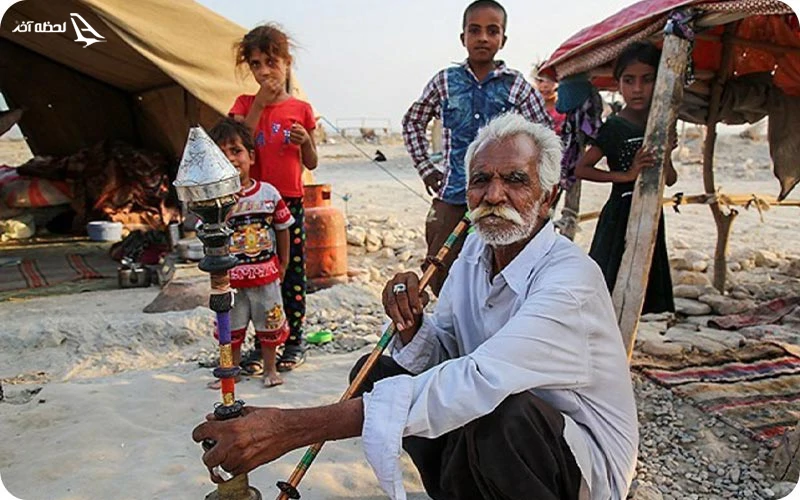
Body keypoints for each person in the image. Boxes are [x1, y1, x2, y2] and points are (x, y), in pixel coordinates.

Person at [193, 113, 639, 500]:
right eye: (481, 180)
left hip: (576, 465)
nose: (494, 196)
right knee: (373, 372)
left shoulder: (570, 279)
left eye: (516, 180)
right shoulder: (471, 255)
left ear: (546, 198)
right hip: (491, 430)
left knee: (504, 413)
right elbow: (447, 350)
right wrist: (413, 326)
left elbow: (477, 379)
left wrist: (291, 427)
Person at [402, 0, 553, 297]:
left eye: (492, 31)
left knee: (506, 261)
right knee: (441, 265)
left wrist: (536, 186)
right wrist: (427, 169)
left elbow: (544, 136)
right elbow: (412, 122)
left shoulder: (516, 86)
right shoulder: (445, 81)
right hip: (455, 192)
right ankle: (452, 323)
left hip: (504, 196)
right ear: (463, 38)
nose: (483, 38)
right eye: (475, 30)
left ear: (502, 40)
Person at [229, 23, 317, 372]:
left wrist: (305, 142)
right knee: (253, 275)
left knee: (290, 273)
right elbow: (236, 146)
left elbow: (311, 162)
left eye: (271, 61)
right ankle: (260, 345)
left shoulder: (301, 109)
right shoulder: (244, 104)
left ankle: (292, 341)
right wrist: (260, 107)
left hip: (289, 202)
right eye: (255, 64)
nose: (264, 71)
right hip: (251, 205)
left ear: (286, 61)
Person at [574, 41, 677, 314]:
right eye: (629, 81)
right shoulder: (615, 126)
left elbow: (670, 179)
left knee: (642, 281)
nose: (638, 89)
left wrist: (666, 153)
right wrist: (626, 175)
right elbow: (582, 168)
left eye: (646, 80)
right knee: (610, 280)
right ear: (618, 83)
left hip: (651, 212)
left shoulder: (660, 124)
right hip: (620, 212)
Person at [207, 118, 294, 388]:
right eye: (221, 154)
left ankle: (270, 369)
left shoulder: (268, 193)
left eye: (236, 151)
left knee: (268, 324)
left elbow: (283, 227)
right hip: (229, 281)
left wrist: (284, 262)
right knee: (229, 329)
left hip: (266, 275)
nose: (230, 159)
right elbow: (207, 233)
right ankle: (229, 370)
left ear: (251, 156)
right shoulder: (214, 200)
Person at [532, 64, 566, 134]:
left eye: (549, 80)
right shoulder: (530, 110)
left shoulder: (566, 110)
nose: (545, 85)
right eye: (540, 81)